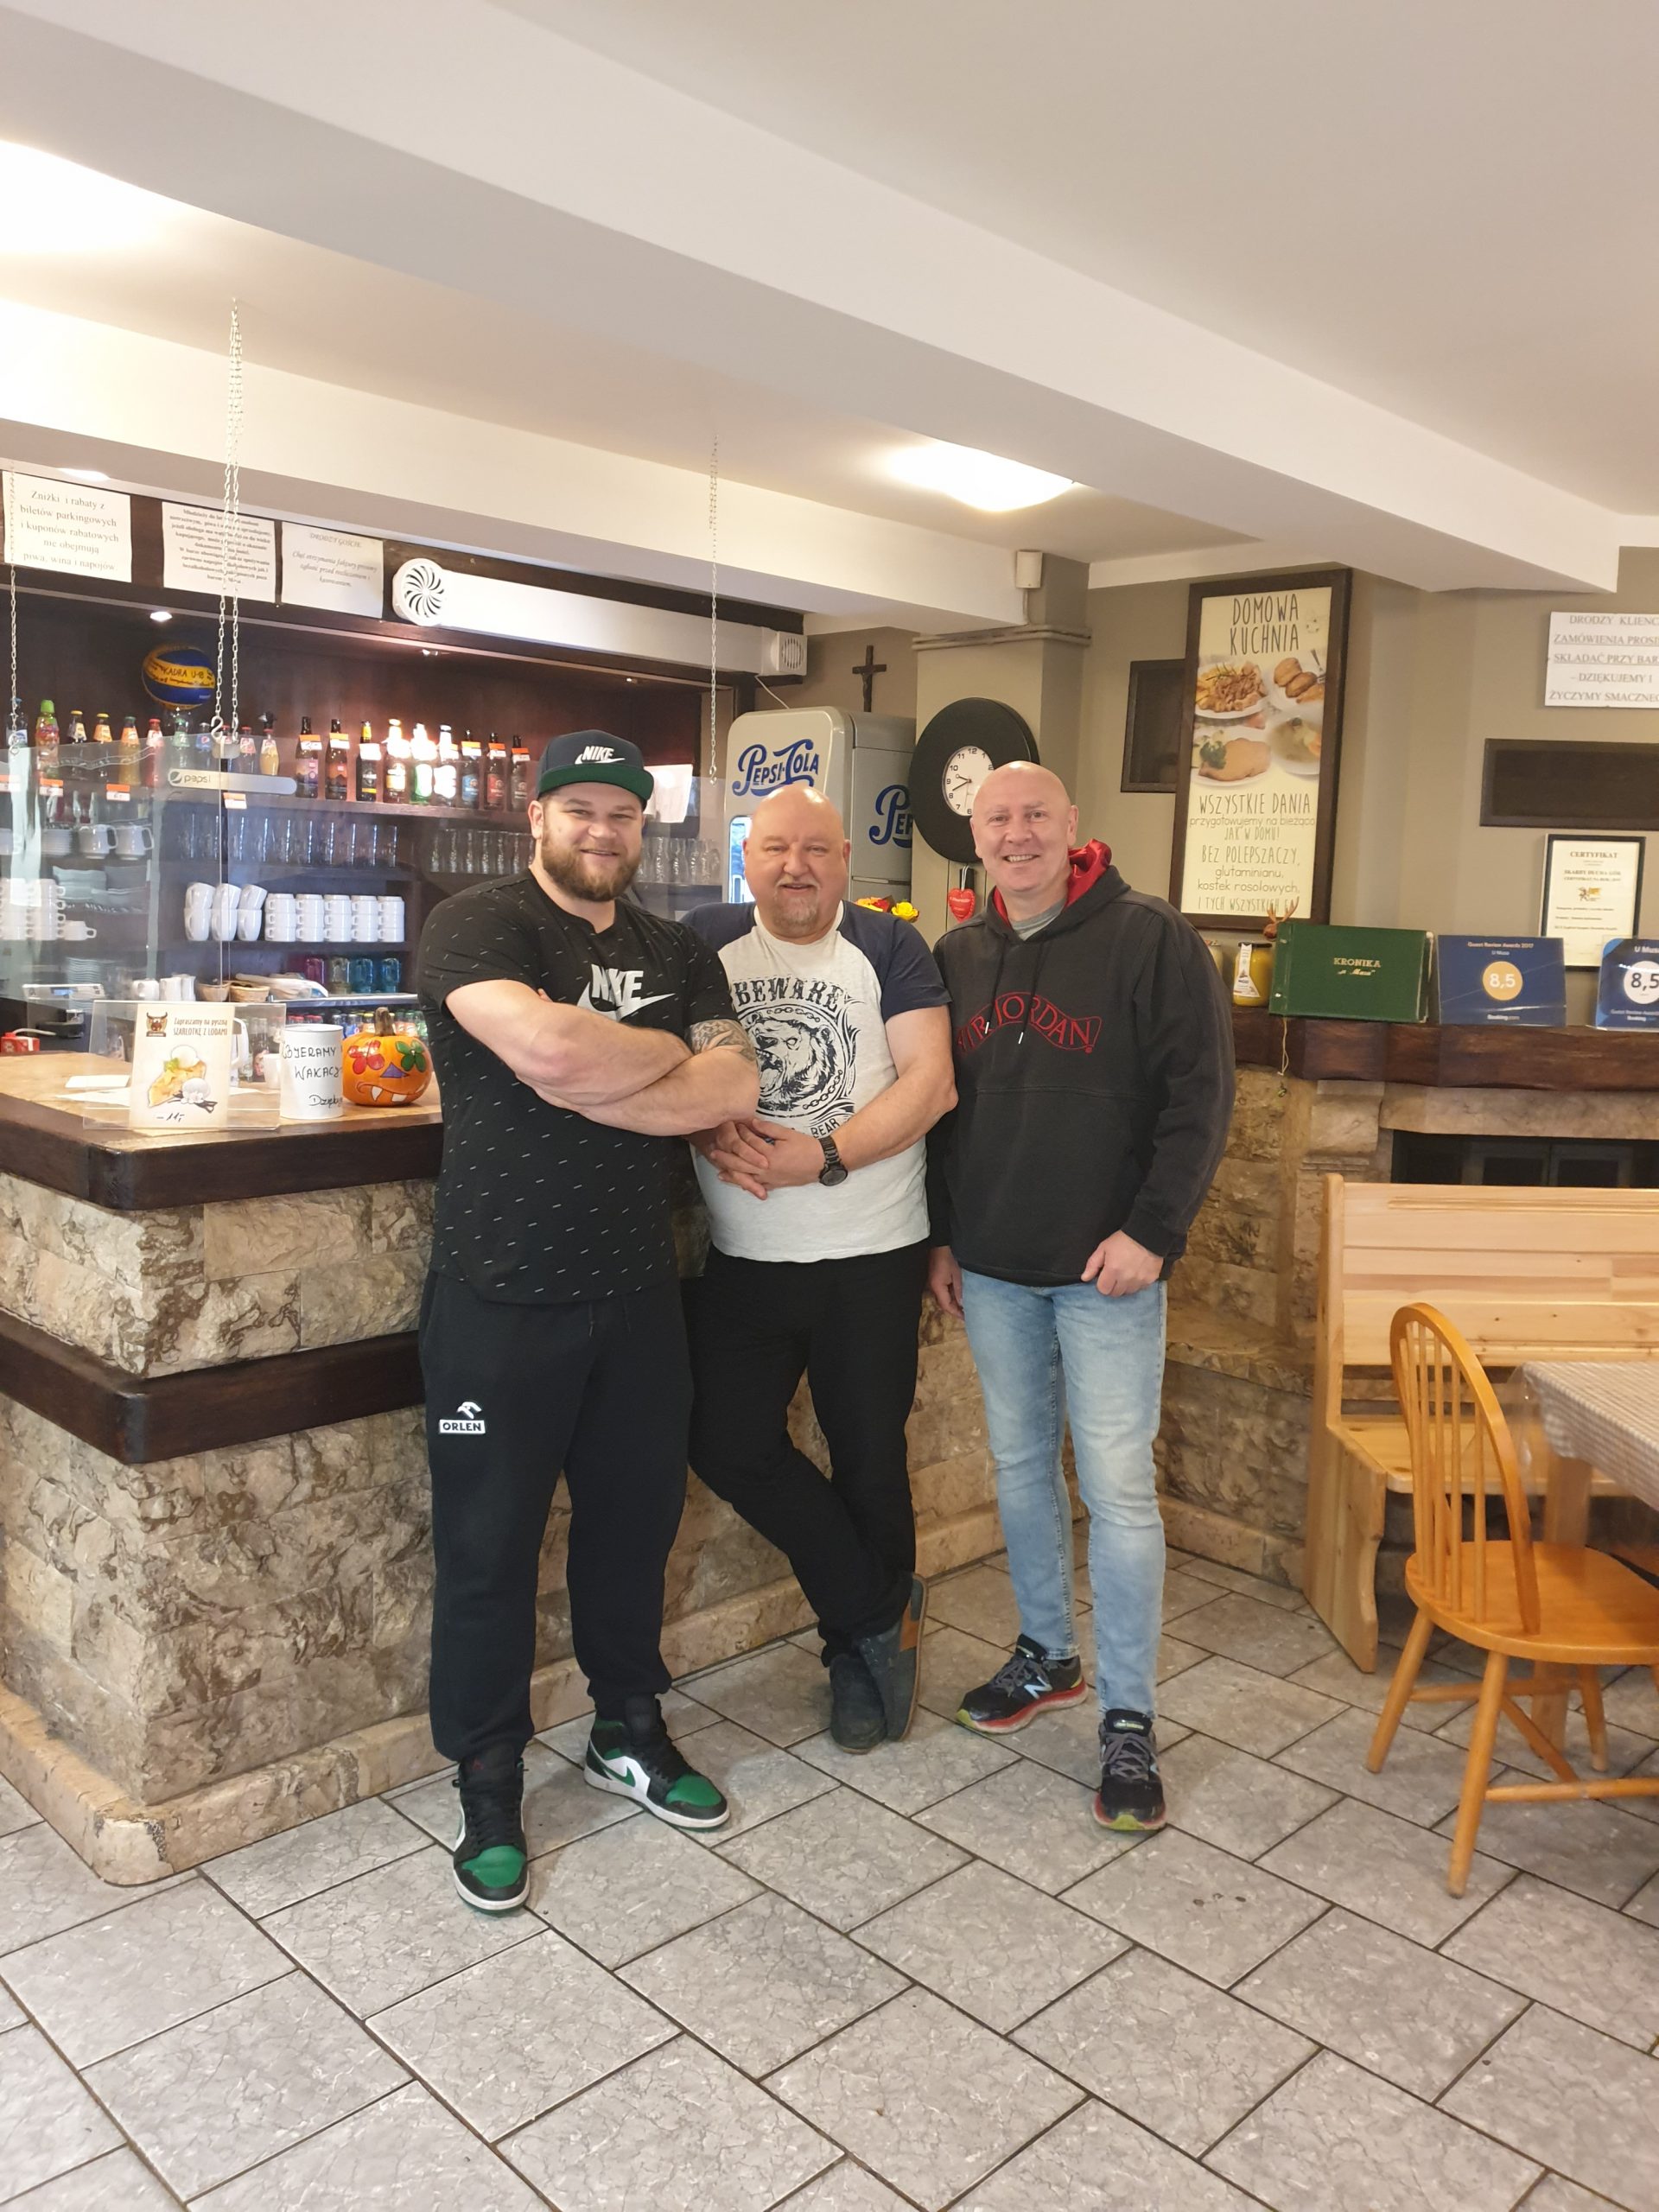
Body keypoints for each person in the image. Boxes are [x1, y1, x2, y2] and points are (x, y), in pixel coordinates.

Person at [417, 729, 759, 1911]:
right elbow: (550, 1044)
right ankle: (488, 1778)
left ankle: (627, 1728)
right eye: (580, 809)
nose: (602, 830)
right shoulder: (478, 923)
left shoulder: (679, 947)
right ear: (539, 816)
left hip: (636, 1294)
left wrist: (596, 1072)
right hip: (497, 1292)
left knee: (632, 1530)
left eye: (622, 812)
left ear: (641, 826)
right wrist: (654, 1064)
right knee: (487, 1549)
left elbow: (734, 1083)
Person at [928, 761, 1233, 1831]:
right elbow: (942, 1111)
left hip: (1110, 1271)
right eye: (996, 819)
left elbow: (1202, 1097)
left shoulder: (1151, 937)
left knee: (1118, 1491)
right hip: (994, 1265)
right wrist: (944, 1235)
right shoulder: (958, 953)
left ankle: (1129, 1714)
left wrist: (1154, 1231)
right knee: (1019, 1467)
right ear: (976, 837)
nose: (1016, 835)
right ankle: (1048, 1653)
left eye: (1034, 816)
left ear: (1072, 826)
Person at [686, 785, 956, 1750]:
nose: (794, 867)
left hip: (871, 1253)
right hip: (745, 1258)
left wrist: (825, 1154)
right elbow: (657, 1059)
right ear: (746, 859)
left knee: (870, 1458)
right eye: (774, 849)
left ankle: (854, 1658)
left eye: (815, 849)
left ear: (846, 859)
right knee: (725, 1442)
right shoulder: (702, 941)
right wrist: (697, 1120)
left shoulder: (888, 945)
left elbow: (932, 1082)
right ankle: (881, 1608)